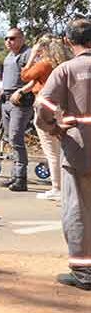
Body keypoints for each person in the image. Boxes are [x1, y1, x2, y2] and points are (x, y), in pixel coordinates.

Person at [34, 17, 91, 291]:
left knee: (77, 210)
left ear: (68, 42)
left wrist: (54, 128)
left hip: (79, 150)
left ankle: (83, 272)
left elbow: (43, 108)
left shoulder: (65, 70)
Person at [20, 35, 71, 200]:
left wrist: (32, 56)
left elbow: (25, 75)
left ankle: (57, 187)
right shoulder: (65, 64)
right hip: (62, 108)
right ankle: (66, 186)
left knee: (51, 151)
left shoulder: (44, 64)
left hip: (45, 107)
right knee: (63, 150)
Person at [0, 27, 34, 192]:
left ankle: (21, 178)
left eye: (12, 38)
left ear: (22, 38)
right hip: (6, 101)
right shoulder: (9, 56)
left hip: (20, 102)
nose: (8, 42)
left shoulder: (28, 54)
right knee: (9, 138)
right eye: (6, 38)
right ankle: (14, 175)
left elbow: (36, 79)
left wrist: (21, 91)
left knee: (16, 138)